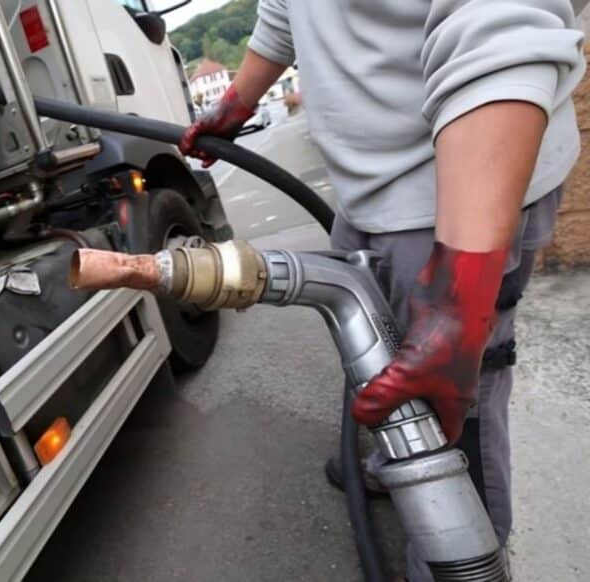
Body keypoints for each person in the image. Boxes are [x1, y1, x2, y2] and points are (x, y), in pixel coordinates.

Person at [179, 1, 586, 580]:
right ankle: (396, 457)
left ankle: (463, 562)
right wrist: (235, 105)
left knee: (455, 394)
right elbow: (285, 12)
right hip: (372, 183)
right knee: (384, 353)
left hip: (454, 187)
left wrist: (458, 303)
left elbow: (498, 25)